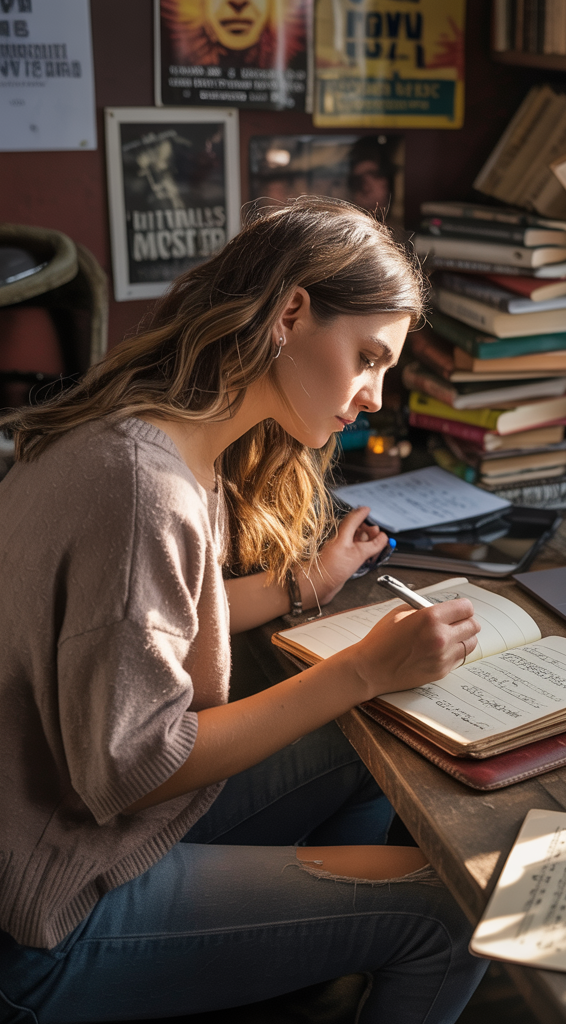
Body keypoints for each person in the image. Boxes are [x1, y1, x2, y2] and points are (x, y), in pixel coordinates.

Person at [0, 198, 486, 1024]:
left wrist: (303, 588)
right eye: (368, 357)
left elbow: (127, 623)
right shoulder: (144, 488)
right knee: (448, 911)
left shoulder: (156, 435)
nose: (372, 396)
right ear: (291, 312)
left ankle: (296, 959)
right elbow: (131, 764)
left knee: (368, 746)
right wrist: (362, 668)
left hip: (75, 830)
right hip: (52, 912)